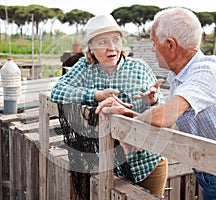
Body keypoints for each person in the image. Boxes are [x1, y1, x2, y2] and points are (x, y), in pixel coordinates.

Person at [95, 7, 216, 200]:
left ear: (170, 45)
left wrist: (130, 127)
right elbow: (167, 122)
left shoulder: (206, 72)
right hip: (213, 172)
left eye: (154, 43)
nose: (152, 49)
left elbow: (163, 116)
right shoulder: (180, 75)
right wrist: (129, 117)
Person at [51, 14, 168, 197]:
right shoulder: (85, 68)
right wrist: (95, 95)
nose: (111, 47)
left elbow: (162, 107)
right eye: (103, 42)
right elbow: (57, 91)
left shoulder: (139, 68)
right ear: (91, 47)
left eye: (116, 40)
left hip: (147, 162)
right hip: (109, 165)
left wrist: (152, 101)